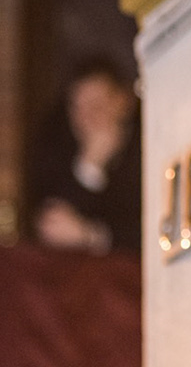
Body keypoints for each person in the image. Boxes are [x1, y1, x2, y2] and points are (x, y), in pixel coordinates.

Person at [26, 58, 140, 253]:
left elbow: (147, 232)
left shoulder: (145, 149)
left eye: (97, 105)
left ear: (123, 102)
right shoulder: (57, 152)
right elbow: (52, 225)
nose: (86, 118)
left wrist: (91, 236)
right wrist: (89, 167)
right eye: (78, 108)